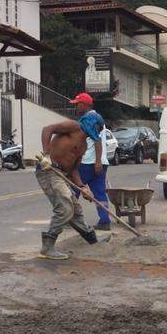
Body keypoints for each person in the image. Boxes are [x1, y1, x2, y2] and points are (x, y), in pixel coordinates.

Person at [34, 93, 101, 260]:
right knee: (65, 207)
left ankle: (93, 240)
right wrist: (46, 155)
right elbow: (47, 129)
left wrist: (83, 188)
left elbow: (73, 171)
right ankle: (47, 247)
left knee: (75, 209)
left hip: (61, 174)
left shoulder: (84, 146)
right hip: (49, 170)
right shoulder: (73, 127)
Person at [76, 101, 112, 240]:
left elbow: (96, 141)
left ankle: (69, 218)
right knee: (99, 193)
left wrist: (96, 161)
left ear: (85, 105)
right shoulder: (98, 118)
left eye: (78, 104)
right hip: (100, 162)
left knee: (74, 189)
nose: (76, 107)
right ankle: (104, 221)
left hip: (88, 162)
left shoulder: (89, 119)